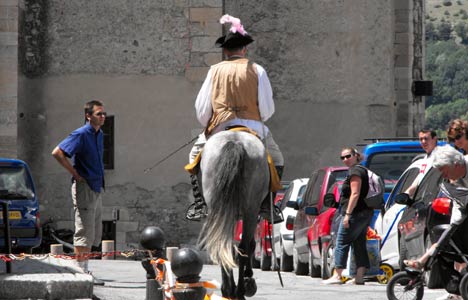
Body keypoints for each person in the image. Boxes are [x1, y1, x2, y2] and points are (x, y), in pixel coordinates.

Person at [185, 14, 284, 221]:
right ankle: (267, 206)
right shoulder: (258, 70)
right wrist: (255, 118)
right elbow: (267, 109)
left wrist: (208, 125)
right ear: (244, 49)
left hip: (220, 127)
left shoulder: (214, 70)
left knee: (194, 156)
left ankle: (200, 204)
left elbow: (202, 108)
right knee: (277, 159)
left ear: (225, 50)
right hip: (254, 127)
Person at [51, 100, 106, 285]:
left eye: (103, 113)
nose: (103, 116)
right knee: (84, 230)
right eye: (99, 113)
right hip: (84, 187)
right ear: (88, 116)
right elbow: (57, 152)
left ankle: (85, 270)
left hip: (97, 187)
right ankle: (81, 273)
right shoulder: (81, 134)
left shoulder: (100, 134)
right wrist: (75, 173)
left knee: (94, 232)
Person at [403, 145, 468, 300]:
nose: (443, 174)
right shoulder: (456, 181)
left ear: (456, 164)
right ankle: (456, 288)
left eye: (444, 169)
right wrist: (452, 227)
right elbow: (460, 204)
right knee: (445, 245)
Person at [322, 148, 374, 285]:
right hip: (364, 212)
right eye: (342, 158)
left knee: (341, 242)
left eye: (348, 156)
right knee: (359, 243)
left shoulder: (355, 171)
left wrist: (347, 215)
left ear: (356, 156)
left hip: (355, 213)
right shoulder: (362, 170)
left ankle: (337, 275)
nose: (345, 159)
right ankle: (359, 276)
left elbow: (355, 194)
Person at [404, 129, 438, 197]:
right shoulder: (426, 159)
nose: (423, 141)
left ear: (434, 139)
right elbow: (418, 182)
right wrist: (406, 194)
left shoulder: (439, 156)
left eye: (426, 138)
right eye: (421, 139)